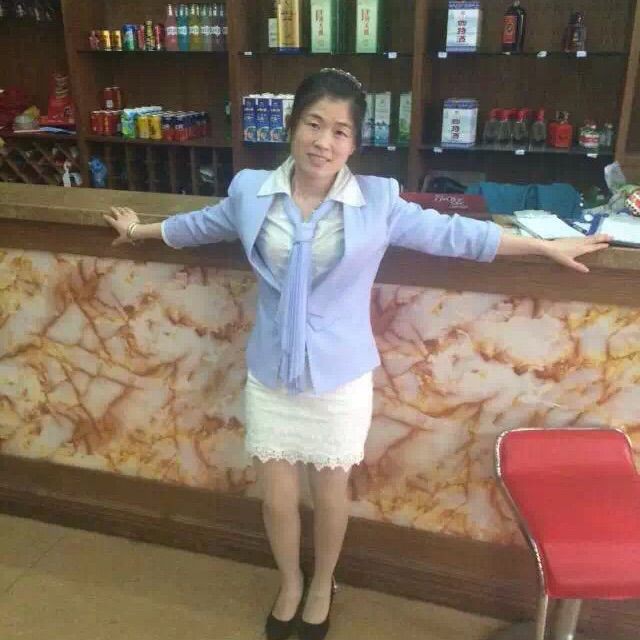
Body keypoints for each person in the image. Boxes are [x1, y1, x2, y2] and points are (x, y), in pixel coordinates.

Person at [104, 68, 610, 640]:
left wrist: (544, 246)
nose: (324, 141)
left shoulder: (378, 200)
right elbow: (203, 225)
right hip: (272, 368)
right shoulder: (250, 190)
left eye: (340, 131)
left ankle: (323, 585)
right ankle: (289, 583)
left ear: (354, 143)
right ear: (293, 126)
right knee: (276, 496)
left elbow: (459, 235)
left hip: (339, 373)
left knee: (330, 492)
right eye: (314, 124)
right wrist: (139, 232)